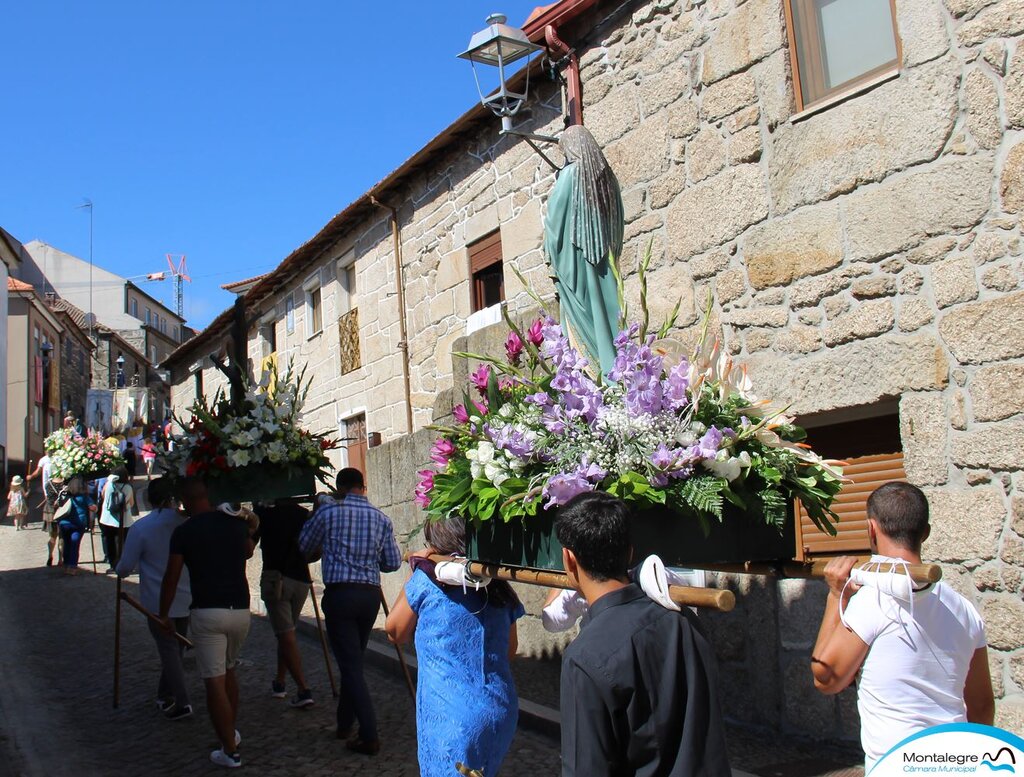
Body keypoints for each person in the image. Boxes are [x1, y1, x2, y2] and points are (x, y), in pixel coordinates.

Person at [810, 482, 994, 772]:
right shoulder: (963, 608)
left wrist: (836, 595)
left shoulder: (874, 601)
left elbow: (826, 678)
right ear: (926, 532)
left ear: (871, 529)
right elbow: (982, 706)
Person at [556, 491, 730, 777]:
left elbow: (586, 769)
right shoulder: (684, 621)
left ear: (569, 560)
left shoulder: (585, 657)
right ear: (630, 552)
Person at [385, 517, 523, 777]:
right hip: (499, 706)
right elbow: (510, 650)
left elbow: (394, 631)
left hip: (450, 715)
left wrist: (416, 574)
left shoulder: (427, 582)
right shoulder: (500, 587)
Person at [298, 468, 401, 755]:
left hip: (341, 594)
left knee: (351, 665)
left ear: (340, 487)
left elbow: (304, 546)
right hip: (369, 597)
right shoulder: (382, 519)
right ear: (362, 487)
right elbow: (392, 563)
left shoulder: (328, 514)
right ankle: (344, 723)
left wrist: (316, 514)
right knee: (351, 660)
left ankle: (369, 734)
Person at [160, 478, 256, 769]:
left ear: (185, 502)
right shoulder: (233, 524)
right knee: (229, 672)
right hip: (240, 609)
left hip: (206, 611)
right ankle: (231, 732)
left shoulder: (184, 532)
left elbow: (172, 576)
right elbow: (250, 550)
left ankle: (229, 749)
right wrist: (248, 522)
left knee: (214, 682)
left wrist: (164, 614)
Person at [543, 124, 625, 376]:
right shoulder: (609, 181)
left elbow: (555, 222)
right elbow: (618, 219)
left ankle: (597, 376)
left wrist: (549, 253)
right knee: (611, 316)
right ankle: (622, 370)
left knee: (586, 316)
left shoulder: (569, 175)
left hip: (577, 261)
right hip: (605, 261)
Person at [117, 477, 193, 720]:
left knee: (170, 651)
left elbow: (124, 568)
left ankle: (182, 701)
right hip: (187, 597)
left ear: (149, 498)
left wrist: (120, 564)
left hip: (157, 601)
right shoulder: (186, 523)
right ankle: (165, 695)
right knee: (175, 649)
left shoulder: (142, 528)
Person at [253, 499, 314, 708]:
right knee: (286, 632)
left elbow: (249, 547)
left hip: (276, 579)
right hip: (301, 580)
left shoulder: (262, 514)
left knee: (285, 634)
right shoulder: (302, 514)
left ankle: (303, 689)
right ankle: (280, 681)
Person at [99, 469, 135, 573]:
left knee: (110, 542)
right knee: (123, 543)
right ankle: (123, 564)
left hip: (107, 518)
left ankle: (113, 565)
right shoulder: (128, 487)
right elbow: (131, 503)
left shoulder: (108, 485)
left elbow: (102, 495)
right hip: (124, 519)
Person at [59, 476, 95, 576]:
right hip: (78, 524)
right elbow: (93, 507)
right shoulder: (84, 497)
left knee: (67, 544)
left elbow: (57, 504)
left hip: (64, 523)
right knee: (75, 545)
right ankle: (72, 566)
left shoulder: (65, 495)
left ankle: (66, 565)